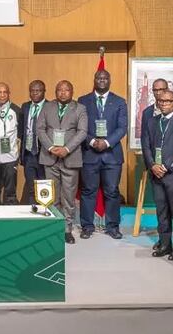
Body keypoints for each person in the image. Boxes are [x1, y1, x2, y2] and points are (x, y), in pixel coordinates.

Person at [142, 89, 173, 259]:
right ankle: (165, 244)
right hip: (156, 174)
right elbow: (146, 146)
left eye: (168, 101)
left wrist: (164, 165)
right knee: (161, 211)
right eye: (161, 101)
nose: (163, 104)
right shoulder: (152, 121)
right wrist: (152, 165)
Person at [77, 69, 127, 238]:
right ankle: (87, 226)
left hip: (112, 155)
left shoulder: (119, 101)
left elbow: (122, 128)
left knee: (112, 191)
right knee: (88, 191)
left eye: (105, 78)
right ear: (94, 80)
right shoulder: (83, 101)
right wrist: (92, 141)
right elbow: (80, 127)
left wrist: (106, 142)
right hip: (89, 154)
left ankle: (113, 227)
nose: (102, 80)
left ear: (110, 80)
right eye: (99, 77)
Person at [38, 81, 88, 244]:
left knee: (68, 196)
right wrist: (51, 147)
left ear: (72, 92)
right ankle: (54, 227)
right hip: (50, 157)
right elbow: (40, 129)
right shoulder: (47, 107)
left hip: (70, 157)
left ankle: (67, 229)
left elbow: (82, 132)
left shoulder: (80, 108)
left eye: (66, 90)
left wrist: (66, 149)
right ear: (55, 91)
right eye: (59, 90)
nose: (63, 93)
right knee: (52, 196)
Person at [0, 82, 22, 206]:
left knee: (10, 193)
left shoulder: (17, 110)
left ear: (9, 94)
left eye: (5, 92)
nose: (2, 95)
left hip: (10, 158)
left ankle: (11, 221)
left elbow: (21, 134)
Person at [19, 80, 47, 204]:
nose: (35, 93)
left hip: (45, 154)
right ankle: (33, 214)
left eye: (38, 90)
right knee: (31, 188)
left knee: (44, 188)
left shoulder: (50, 106)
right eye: (32, 91)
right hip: (29, 153)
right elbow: (21, 130)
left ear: (44, 92)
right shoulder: (25, 106)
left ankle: (45, 215)